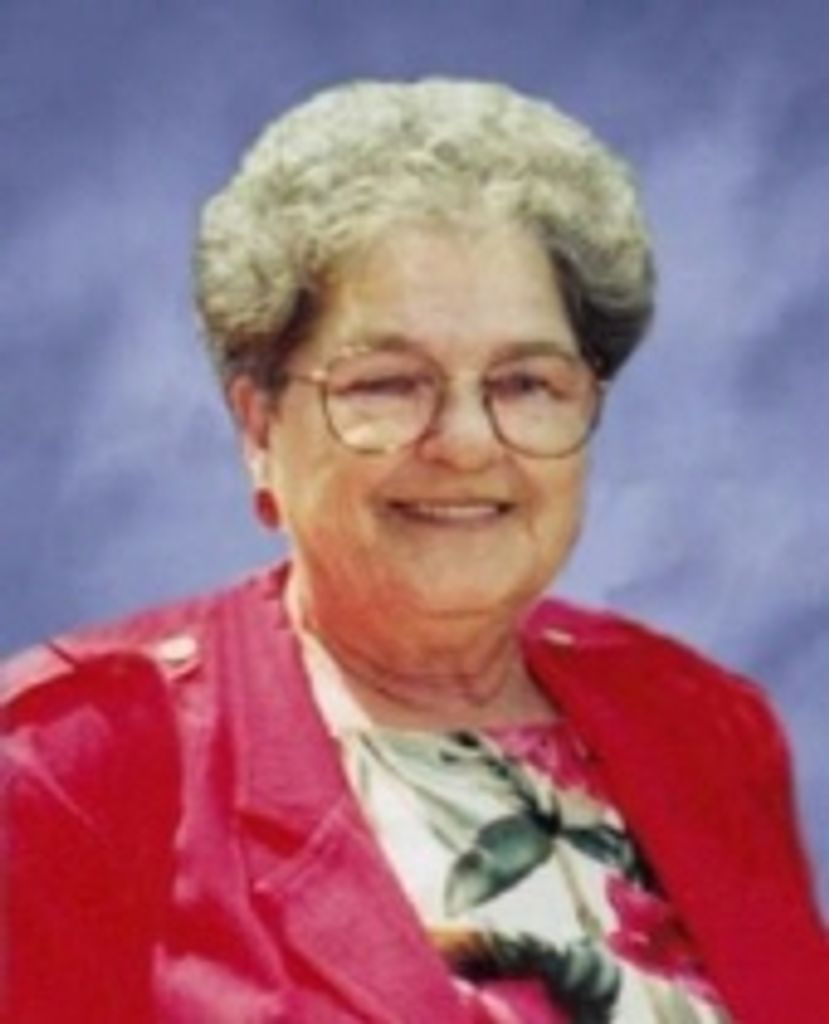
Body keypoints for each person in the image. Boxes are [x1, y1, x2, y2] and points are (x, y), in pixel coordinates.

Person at [2, 79, 827, 1024]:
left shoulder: (700, 723)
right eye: (388, 383)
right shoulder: (69, 763)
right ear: (259, 427)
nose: (467, 442)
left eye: (525, 383)